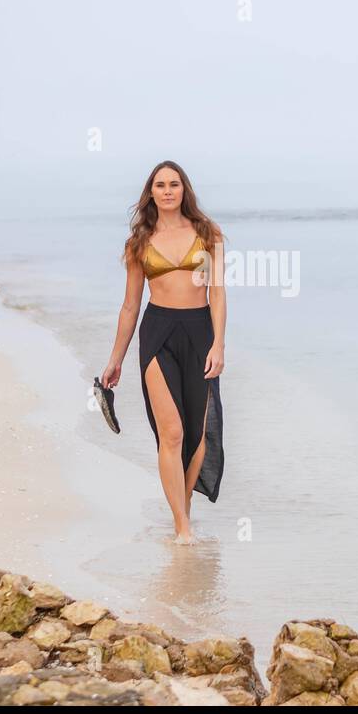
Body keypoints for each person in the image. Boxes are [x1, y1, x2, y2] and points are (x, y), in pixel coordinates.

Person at [100, 161, 226, 544]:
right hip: (157, 333)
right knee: (171, 432)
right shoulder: (139, 243)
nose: (168, 190)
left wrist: (219, 343)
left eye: (174, 184)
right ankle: (181, 527)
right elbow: (129, 307)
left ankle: (182, 505)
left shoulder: (208, 233)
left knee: (198, 435)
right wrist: (115, 359)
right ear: (151, 192)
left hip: (200, 331)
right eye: (160, 185)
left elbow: (217, 292)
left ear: (184, 190)